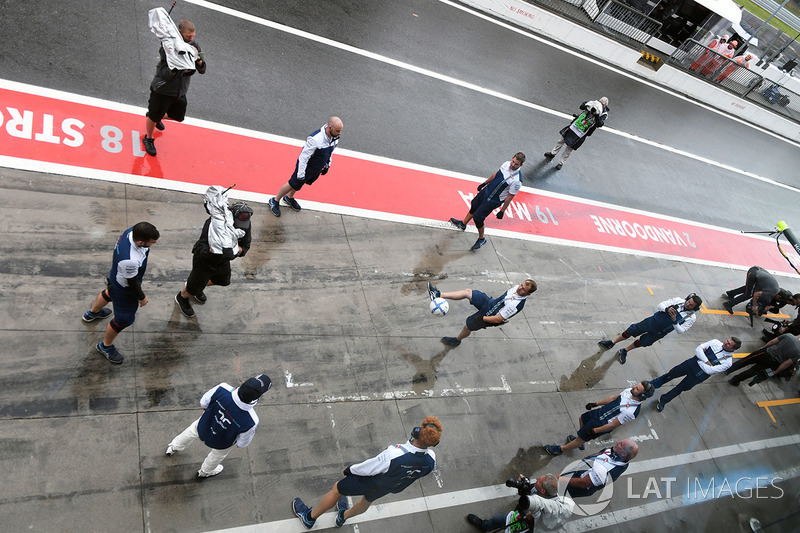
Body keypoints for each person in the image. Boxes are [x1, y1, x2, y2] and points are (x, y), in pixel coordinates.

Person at [292, 416, 442, 529]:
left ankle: (309, 518)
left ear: (417, 432)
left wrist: (351, 470)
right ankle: (342, 517)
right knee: (367, 501)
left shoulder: (395, 453)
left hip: (372, 481)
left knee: (337, 488)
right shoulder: (431, 460)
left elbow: (369, 468)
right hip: (390, 486)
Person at [165, 374, 272, 478]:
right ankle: (205, 472)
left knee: (190, 432)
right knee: (216, 456)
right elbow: (242, 443)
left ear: (244, 383)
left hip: (203, 426)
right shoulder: (252, 420)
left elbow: (203, 403)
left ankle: (173, 447)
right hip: (221, 443)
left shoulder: (222, 388)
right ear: (257, 396)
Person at [82, 222, 160, 364]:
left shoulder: (130, 232)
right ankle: (105, 346)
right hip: (125, 288)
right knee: (123, 319)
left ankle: (92, 313)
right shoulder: (130, 260)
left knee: (109, 292)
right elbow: (132, 283)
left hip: (115, 276)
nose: (151, 245)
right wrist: (141, 298)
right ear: (141, 242)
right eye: (151, 243)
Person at [175, 186, 252, 318]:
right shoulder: (213, 224)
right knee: (194, 285)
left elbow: (246, 244)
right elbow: (200, 247)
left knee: (223, 280)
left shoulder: (244, 224)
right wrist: (212, 251)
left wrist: (240, 250)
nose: (240, 226)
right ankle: (182, 297)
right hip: (205, 260)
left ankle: (197, 286)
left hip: (223, 261)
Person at [142, 18, 207, 157]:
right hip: (163, 89)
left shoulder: (194, 44)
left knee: (178, 116)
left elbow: (202, 69)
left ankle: (155, 117)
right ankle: (148, 137)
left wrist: (198, 59)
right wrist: (177, 65)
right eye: (188, 36)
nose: (191, 38)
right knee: (154, 115)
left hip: (180, 91)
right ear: (179, 32)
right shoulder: (168, 45)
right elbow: (165, 73)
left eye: (193, 36)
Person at [544, 381, 653, 456]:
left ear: (642, 396)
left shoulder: (632, 411)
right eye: (636, 385)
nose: (634, 387)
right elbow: (613, 398)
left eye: (637, 388)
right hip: (599, 412)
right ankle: (580, 442)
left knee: (580, 438)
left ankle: (560, 449)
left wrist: (595, 430)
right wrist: (596, 404)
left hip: (602, 423)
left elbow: (613, 425)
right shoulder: (629, 391)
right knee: (581, 418)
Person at [448, 153, 525, 250]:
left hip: (494, 200)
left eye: (516, 164)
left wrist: (502, 211)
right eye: (513, 161)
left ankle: (482, 239)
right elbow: (496, 175)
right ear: (512, 158)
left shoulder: (517, 180)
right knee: (474, 206)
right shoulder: (506, 164)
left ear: (520, 165)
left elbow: (510, 197)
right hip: (486, 191)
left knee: (478, 218)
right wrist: (484, 183)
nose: (513, 165)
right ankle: (463, 224)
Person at [269, 117, 343, 217]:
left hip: (315, 168)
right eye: (337, 130)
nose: (339, 133)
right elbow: (303, 157)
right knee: (292, 184)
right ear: (330, 127)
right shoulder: (316, 139)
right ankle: (275, 200)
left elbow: (330, 152)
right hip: (306, 167)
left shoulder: (335, 138)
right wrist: (301, 173)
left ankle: (289, 198)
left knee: (299, 184)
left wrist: (327, 165)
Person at [427, 280, 537, 347]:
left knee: (467, 326)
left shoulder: (516, 305)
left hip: (490, 316)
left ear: (528, 294)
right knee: (468, 292)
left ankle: (457, 340)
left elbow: (498, 319)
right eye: (521, 285)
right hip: (490, 303)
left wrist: (482, 318)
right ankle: (438, 294)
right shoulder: (517, 288)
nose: (520, 288)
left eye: (523, 289)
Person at [598, 293, 702, 364]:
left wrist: (674, 320)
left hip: (660, 332)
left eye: (691, 305)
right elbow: (660, 305)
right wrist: (666, 309)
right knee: (631, 330)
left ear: (695, 308)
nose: (688, 304)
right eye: (688, 301)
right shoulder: (678, 301)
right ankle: (612, 342)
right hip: (652, 322)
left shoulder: (691, 317)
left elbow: (681, 331)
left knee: (643, 342)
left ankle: (624, 351)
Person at [651, 337, 740, 411]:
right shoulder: (715, 342)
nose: (725, 343)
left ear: (733, 349)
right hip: (689, 364)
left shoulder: (728, 362)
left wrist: (700, 359)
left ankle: (663, 400)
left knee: (680, 389)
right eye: (727, 341)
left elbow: (710, 371)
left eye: (729, 344)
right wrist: (706, 361)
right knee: (670, 374)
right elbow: (698, 350)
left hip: (697, 376)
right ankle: (653, 385)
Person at [466, 473, 573, 531]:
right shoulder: (544, 491)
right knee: (496, 520)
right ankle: (484, 526)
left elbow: (534, 519)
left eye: (539, 481)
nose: (537, 478)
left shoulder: (549, 509)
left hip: (525, 527)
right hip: (517, 516)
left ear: (543, 491)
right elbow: (524, 497)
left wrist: (531, 517)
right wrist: (522, 486)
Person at [544, 98, 608, 169]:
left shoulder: (604, 114)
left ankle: (561, 163)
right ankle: (553, 153)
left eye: (601, 104)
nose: (599, 104)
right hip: (575, 126)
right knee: (562, 140)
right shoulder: (593, 103)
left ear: (604, 106)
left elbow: (600, 124)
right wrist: (587, 105)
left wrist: (596, 114)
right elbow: (582, 107)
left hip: (582, 132)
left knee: (570, 147)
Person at [561, 439, 638, 498]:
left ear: (623, 453)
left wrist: (559, 479)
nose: (617, 442)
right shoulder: (616, 453)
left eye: (620, 444)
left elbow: (583, 483)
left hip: (575, 484)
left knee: (555, 490)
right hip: (577, 472)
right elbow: (600, 454)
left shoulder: (606, 470)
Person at [726, 334, 800, 386]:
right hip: (773, 363)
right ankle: (734, 380)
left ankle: (728, 370)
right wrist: (775, 371)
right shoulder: (799, 352)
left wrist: (763, 347)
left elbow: (772, 341)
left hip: (765, 353)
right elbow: (786, 364)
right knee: (752, 371)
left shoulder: (789, 336)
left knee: (745, 361)